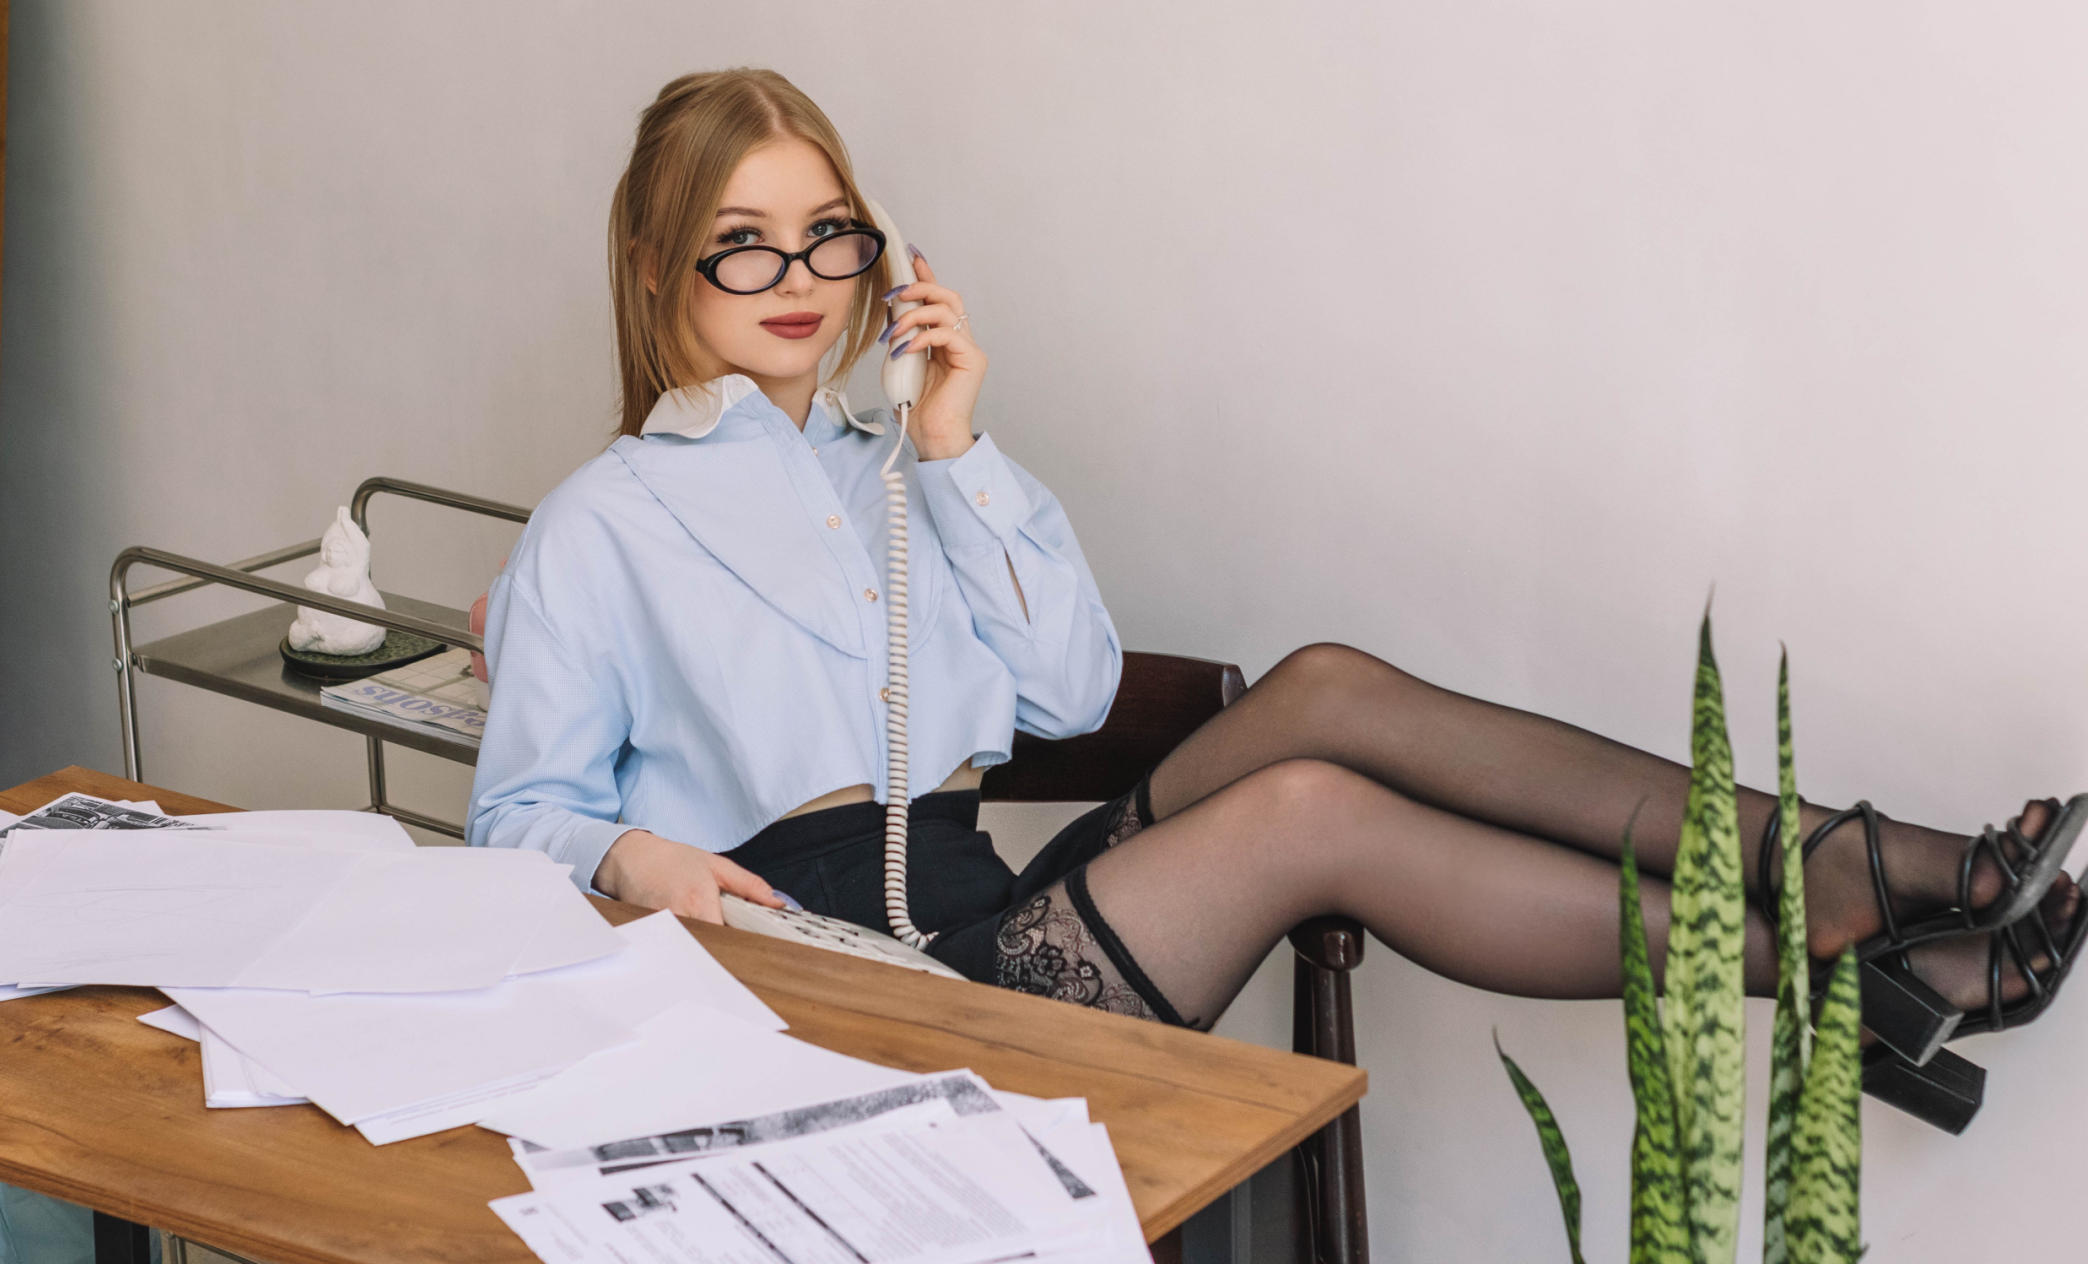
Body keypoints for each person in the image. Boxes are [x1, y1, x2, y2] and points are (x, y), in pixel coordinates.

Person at [467, 67, 2081, 1115]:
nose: (802, 279)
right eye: (744, 244)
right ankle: (1844, 944)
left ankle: (1857, 863)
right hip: (861, 992)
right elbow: (512, 817)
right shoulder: (600, 527)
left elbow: (1070, 695)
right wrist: (632, 855)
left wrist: (953, 448)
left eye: (831, 235)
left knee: (1324, 687)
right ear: (660, 266)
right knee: (1309, 810)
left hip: (982, 909)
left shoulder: (900, 467)